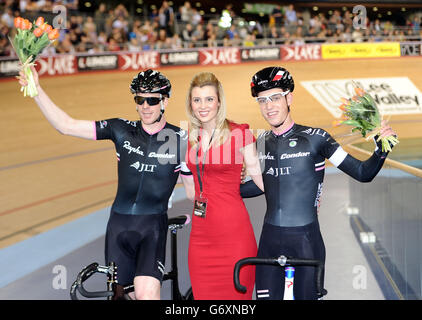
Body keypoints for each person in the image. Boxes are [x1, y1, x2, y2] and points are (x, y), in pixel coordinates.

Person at [17, 67, 194, 300]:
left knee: (147, 294)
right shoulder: (121, 129)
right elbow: (66, 125)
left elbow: (194, 192)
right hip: (118, 228)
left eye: (152, 100)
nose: (145, 106)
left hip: (153, 229)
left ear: (165, 102)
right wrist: (36, 89)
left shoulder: (182, 140)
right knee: (121, 297)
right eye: (140, 99)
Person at [240, 66, 397, 300]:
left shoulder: (317, 138)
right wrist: (215, 183)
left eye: (275, 97)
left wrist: (381, 150)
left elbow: (363, 173)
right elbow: (261, 186)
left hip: (306, 242)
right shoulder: (261, 142)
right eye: (262, 101)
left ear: (289, 97)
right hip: (269, 241)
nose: (269, 106)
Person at [184, 72, 264, 299]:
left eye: (209, 99)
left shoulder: (240, 133)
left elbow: (263, 181)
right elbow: (192, 192)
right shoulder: (190, 138)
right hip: (200, 239)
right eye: (197, 99)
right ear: (190, 103)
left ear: (219, 101)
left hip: (234, 237)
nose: (203, 105)